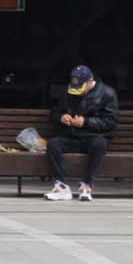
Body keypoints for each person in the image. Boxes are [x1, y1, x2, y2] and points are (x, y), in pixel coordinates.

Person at [44, 65, 120, 202]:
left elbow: (111, 121)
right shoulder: (67, 91)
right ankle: (61, 186)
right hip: (71, 135)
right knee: (53, 144)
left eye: (81, 86)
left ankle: (87, 184)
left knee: (99, 144)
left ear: (90, 81)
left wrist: (86, 122)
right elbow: (55, 112)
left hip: (92, 136)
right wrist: (61, 118)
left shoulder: (107, 93)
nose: (77, 90)